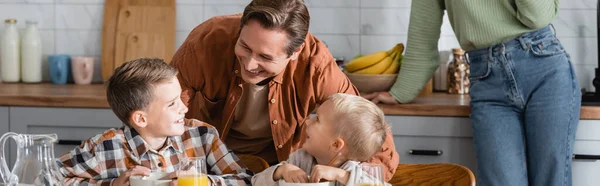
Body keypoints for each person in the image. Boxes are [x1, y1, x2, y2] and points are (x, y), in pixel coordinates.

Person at [170, 0, 399, 180]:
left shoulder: (317, 67)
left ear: (296, 52)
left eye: (265, 57)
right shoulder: (206, 42)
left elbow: (374, 141)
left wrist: (349, 176)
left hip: (280, 168)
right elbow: (162, 111)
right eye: (244, 47)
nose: (249, 64)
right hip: (207, 165)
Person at [364, 1, 580, 185]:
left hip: (543, 66)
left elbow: (537, 16)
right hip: (486, 81)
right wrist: (400, 92)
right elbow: (423, 37)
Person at [57, 58, 252, 185]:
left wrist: (204, 182)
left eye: (180, 99)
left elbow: (246, 180)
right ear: (141, 119)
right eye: (171, 104)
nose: (184, 108)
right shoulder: (104, 147)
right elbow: (48, 179)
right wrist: (112, 184)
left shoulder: (202, 136)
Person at [252, 93, 391, 186]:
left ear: (336, 144)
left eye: (317, 119)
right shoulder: (300, 159)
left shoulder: (353, 171)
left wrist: (341, 176)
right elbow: (255, 182)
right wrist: (281, 171)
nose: (307, 122)